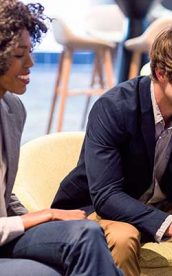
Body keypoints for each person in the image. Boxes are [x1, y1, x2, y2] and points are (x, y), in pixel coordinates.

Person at [51, 23, 172, 275]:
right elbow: (106, 196)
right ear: (161, 73)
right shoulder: (113, 107)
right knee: (123, 239)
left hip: (160, 205)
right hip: (99, 210)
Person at [0, 1, 121, 275]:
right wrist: (43, 216)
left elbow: (4, 196)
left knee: (86, 232)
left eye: (30, 52)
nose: (30, 63)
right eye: (20, 54)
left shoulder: (12, 109)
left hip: (7, 231)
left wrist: (44, 220)